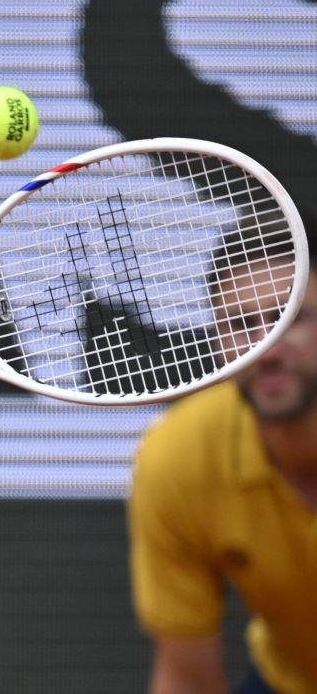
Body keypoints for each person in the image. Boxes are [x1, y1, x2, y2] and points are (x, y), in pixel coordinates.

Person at [127, 206, 317, 694]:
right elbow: (187, 678)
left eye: (290, 318)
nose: (267, 349)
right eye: (241, 324)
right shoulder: (179, 457)